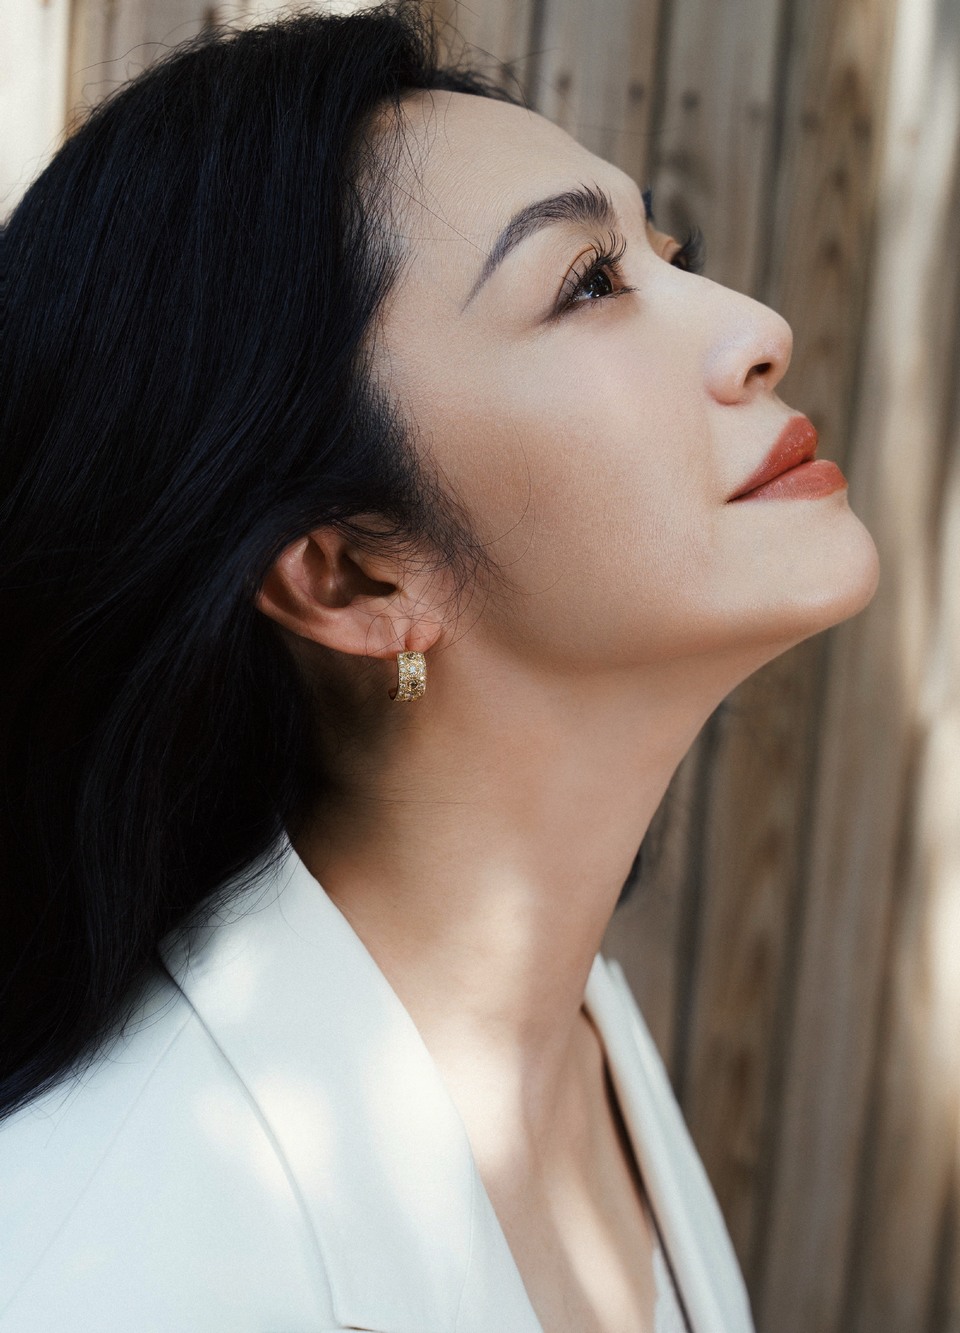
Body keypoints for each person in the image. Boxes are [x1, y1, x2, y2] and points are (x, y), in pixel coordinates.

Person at [0, 5, 879, 1330]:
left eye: (666, 251)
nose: (759, 327)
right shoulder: (126, 1266)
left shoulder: (570, 1039)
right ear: (353, 575)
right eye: (589, 283)